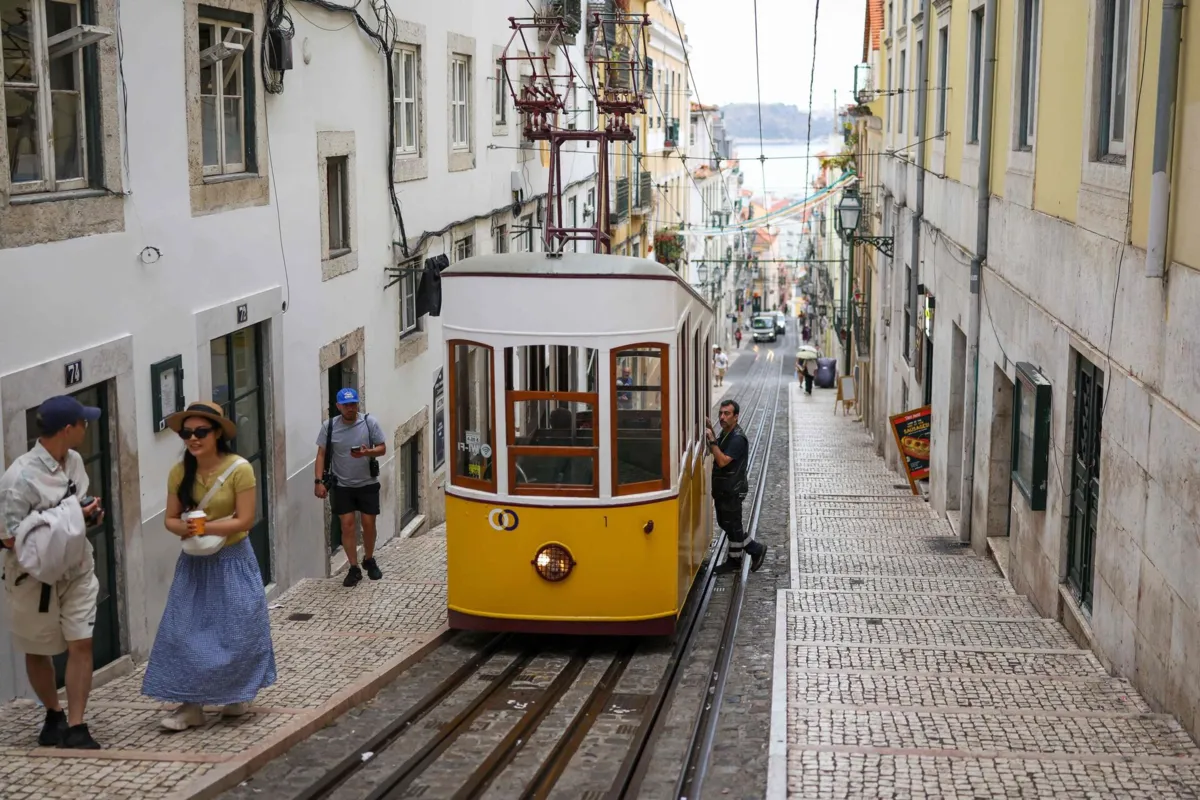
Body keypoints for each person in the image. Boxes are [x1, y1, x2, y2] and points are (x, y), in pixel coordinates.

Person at [143, 401, 276, 731]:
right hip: (195, 563)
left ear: (217, 433)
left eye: (200, 431)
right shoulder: (180, 473)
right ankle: (192, 705)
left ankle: (235, 696)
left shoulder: (239, 469)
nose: (193, 438)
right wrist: (186, 527)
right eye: (187, 433)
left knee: (238, 630)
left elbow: (246, 519)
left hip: (233, 559)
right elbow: (170, 520)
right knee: (183, 632)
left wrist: (207, 527)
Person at [0, 396, 104, 749]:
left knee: (81, 641)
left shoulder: (73, 461)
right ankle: (53, 713)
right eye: (83, 423)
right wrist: (59, 526)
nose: (87, 428)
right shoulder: (18, 478)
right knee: (37, 648)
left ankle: (77, 726)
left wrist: (88, 515)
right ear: (67, 429)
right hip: (33, 579)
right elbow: (8, 536)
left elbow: (79, 506)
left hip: (77, 569)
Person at [314, 389, 387, 587]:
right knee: (347, 525)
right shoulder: (329, 427)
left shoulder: (369, 422)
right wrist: (318, 481)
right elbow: (321, 454)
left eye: (353, 404)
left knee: (368, 524)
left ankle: (369, 559)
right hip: (342, 485)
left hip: (367, 484)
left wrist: (367, 452)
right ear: (338, 406)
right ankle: (353, 568)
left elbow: (382, 448)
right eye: (346, 405)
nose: (350, 408)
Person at [705, 400, 767, 574]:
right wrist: (713, 432)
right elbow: (720, 450)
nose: (722, 417)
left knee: (732, 525)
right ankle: (734, 559)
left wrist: (712, 441)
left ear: (736, 416)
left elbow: (723, 461)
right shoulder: (726, 433)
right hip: (725, 489)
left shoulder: (738, 438)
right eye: (721, 413)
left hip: (732, 489)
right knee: (728, 524)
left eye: (727, 414)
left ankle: (755, 549)